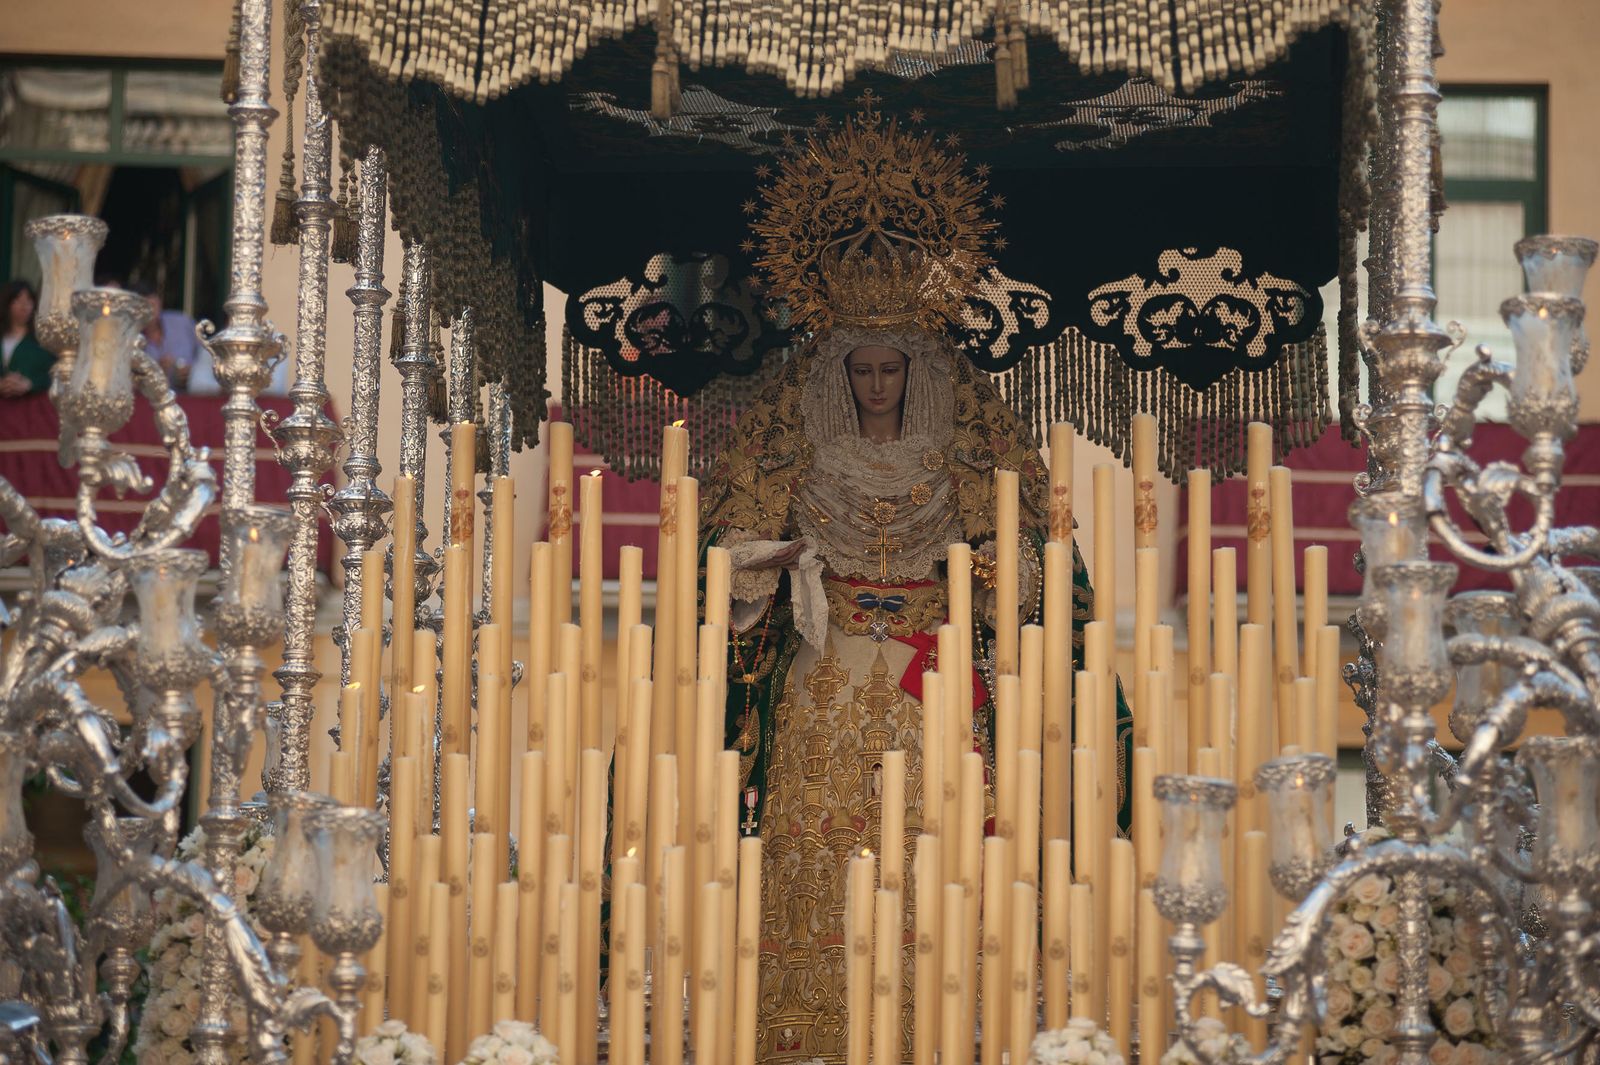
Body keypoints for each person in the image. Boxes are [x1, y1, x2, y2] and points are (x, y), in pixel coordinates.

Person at [697, 103, 1129, 1063]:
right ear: (838, 369)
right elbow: (722, 555)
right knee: (819, 857)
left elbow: (1038, 567)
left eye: (894, 368)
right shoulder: (784, 435)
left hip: (934, 689)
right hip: (823, 678)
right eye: (864, 369)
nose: (879, 385)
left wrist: (993, 584)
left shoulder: (976, 439)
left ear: (919, 367)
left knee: (940, 856)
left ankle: (943, 1032)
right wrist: (769, 569)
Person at [127, 279, 199, 390]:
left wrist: (194, 372)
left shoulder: (182, 323)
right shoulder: (128, 340)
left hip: (194, 397)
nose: (150, 311)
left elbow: (208, 356)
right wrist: (155, 372)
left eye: (153, 304)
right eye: (144, 307)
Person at [0, 280, 54, 398]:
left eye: (28, 300)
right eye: (17, 300)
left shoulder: (43, 340)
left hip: (32, 409)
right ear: (7, 303)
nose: (24, 306)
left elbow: (56, 374)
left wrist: (30, 384)